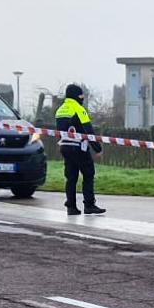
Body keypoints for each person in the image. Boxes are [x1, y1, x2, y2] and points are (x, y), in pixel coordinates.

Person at [55, 84, 105, 215]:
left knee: (71, 177)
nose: (82, 98)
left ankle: (71, 207)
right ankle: (89, 205)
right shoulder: (79, 109)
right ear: (77, 96)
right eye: (81, 96)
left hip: (64, 146)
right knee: (89, 174)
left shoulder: (60, 110)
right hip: (78, 147)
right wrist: (97, 148)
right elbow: (88, 130)